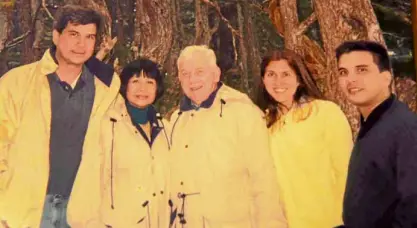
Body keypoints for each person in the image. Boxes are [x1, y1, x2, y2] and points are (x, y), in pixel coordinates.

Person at [0, 5, 120, 228]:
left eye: (89, 37)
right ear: (56, 36)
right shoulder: (17, 83)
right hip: (27, 209)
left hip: (83, 211)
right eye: (74, 34)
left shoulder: (106, 92)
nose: (81, 44)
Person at [168, 45, 287, 228]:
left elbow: (264, 181)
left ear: (216, 74)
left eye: (200, 72)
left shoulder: (242, 112)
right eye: (185, 73)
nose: (192, 80)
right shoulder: (177, 119)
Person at [256, 49, 353, 228]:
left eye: (286, 74)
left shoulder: (324, 112)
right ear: (263, 80)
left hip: (331, 221)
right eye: (271, 74)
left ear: (299, 79)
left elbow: (347, 170)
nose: (278, 82)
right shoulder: (263, 123)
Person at [336, 40, 417, 227]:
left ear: (386, 78)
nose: (351, 79)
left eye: (362, 70)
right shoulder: (375, 123)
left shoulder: (404, 129)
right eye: (343, 72)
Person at [99, 59, 170, 227]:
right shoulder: (108, 124)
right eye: (135, 81)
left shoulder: (165, 129)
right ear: (125, 86)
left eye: (149, 82)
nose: (142, 89)